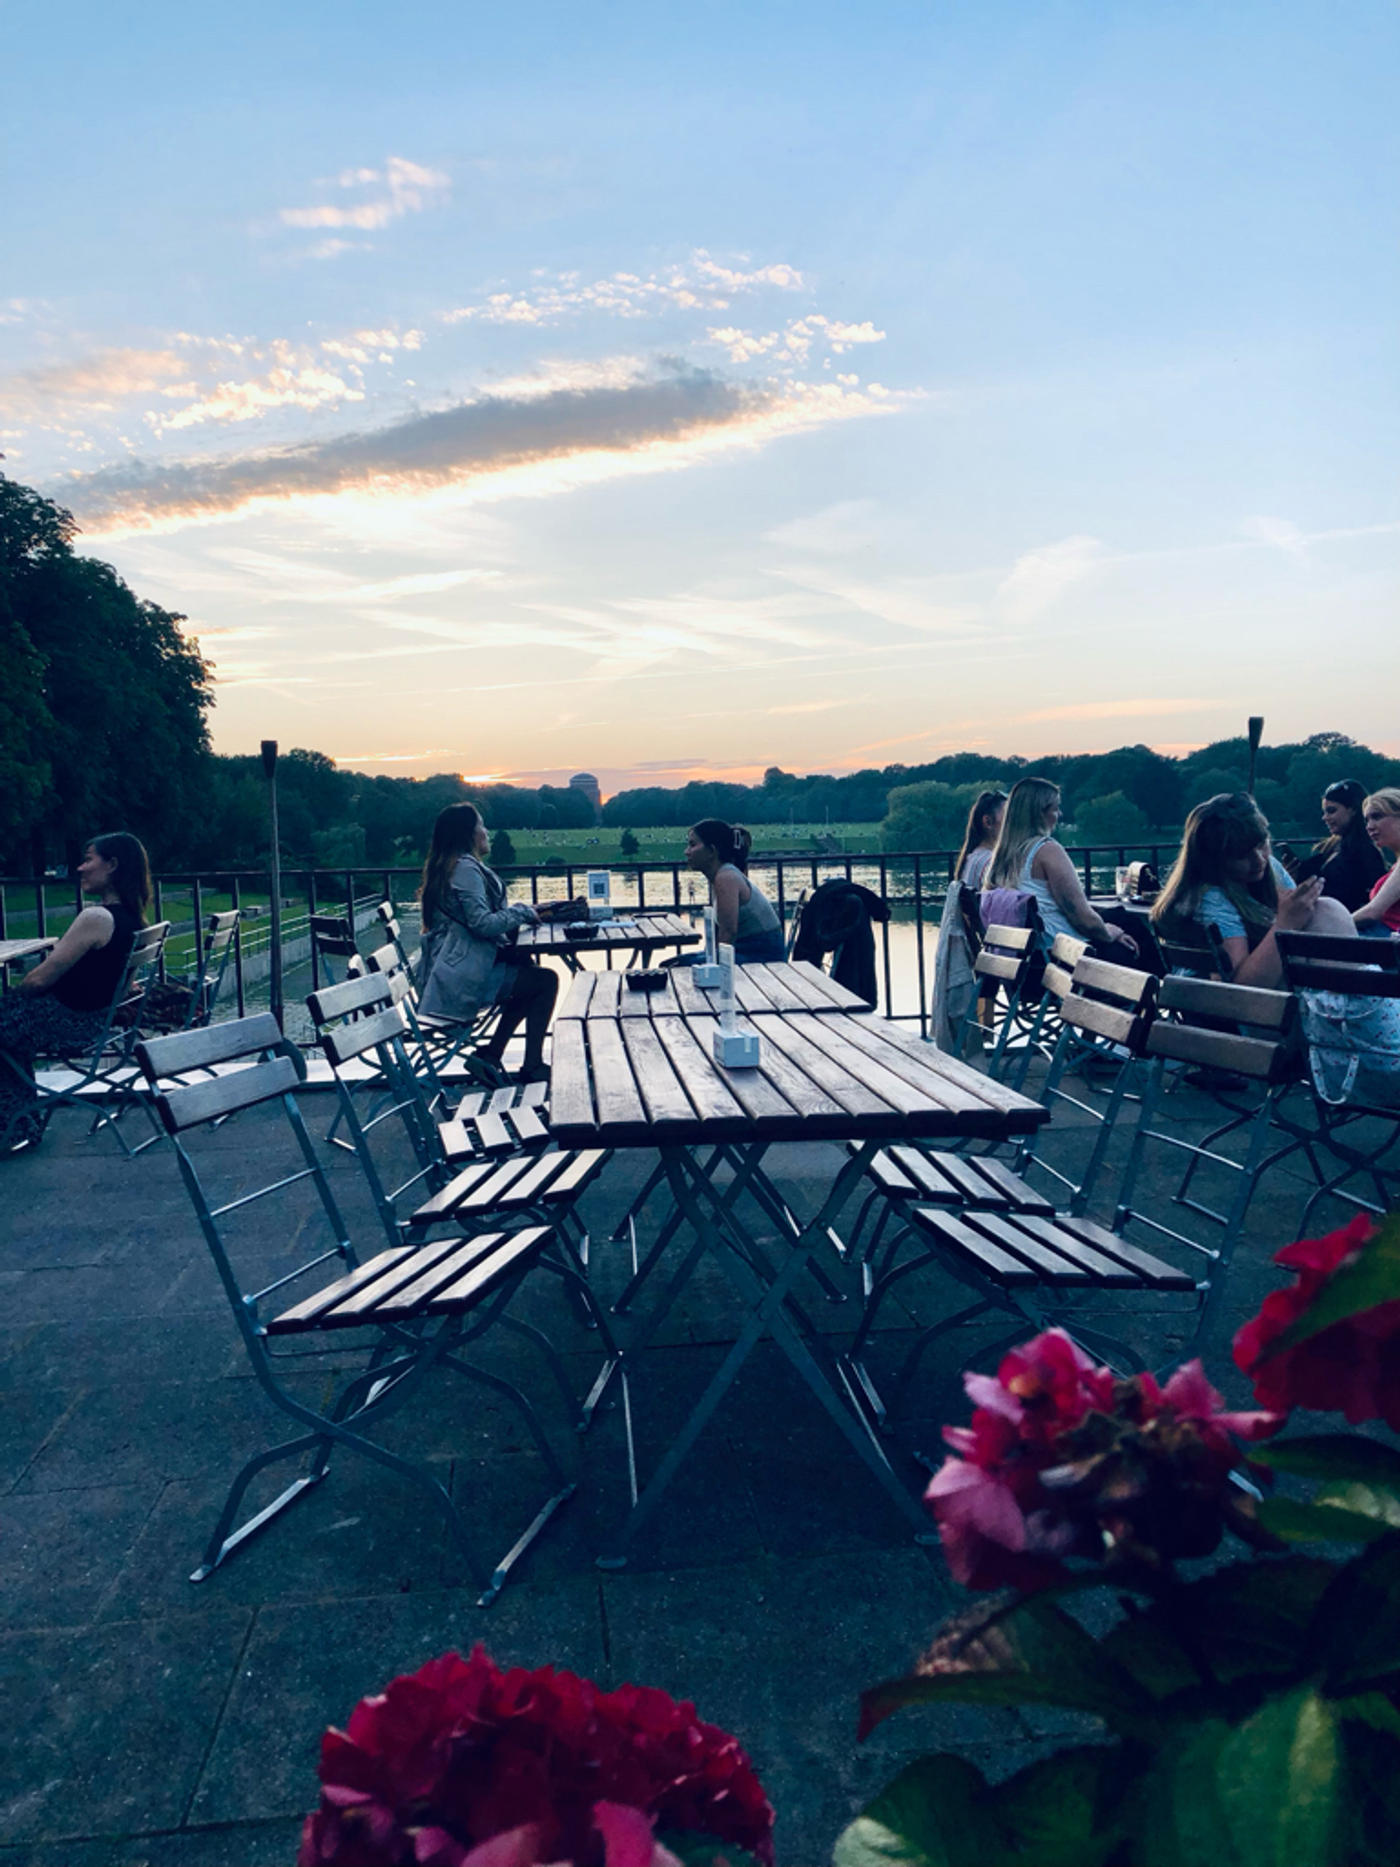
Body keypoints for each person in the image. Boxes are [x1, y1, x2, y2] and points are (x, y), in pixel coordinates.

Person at [0, 832, 150, 1154]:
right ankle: (17, 1125)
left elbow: (39, 981)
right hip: (92, 1024)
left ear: (111, 865)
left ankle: (17, 1123)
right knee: (7, 1036)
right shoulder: (136, 920)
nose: (80, 868)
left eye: (88, 859)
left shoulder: (96, 917)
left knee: (7, 1026)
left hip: (62, 1023)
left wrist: (16, 992)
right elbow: (124, 990)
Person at [1151, 793, 1353, 987]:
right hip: (1237, 1015)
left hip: (1266, 1005)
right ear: (1215, 860)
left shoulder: (1269, 866)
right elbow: (1241, 992)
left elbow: (1306, 918)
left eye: (1262, 845)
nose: (1259, 860)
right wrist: (1285, 924)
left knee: (1325, 909)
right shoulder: (1211, 898)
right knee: (1327, 911)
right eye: (1242, 855)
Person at [417, 803, 557, 1081]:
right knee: (545, 981)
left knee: (528, 977)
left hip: (449, 972)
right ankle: (529, 1065)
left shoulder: (449, 866)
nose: (486, 832)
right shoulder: (465, 869)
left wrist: (521, 913)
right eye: (481, 825)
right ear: (468, 834)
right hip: (461, 978)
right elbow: (482, 924)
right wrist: (523, 912)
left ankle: (493, 1055)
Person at [983, 777, 1138, 958]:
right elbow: (1081, 917)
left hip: (1028, 959)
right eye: (1055, 809)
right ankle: (1165, 983)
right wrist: (1110, 933)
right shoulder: (1047, 850)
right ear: (1040, 814)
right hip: (1061, 956)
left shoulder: (1001, 858)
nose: (1059, 815)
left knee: (1118, 916)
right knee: (1130, 931)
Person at [684, 820, 784, 963]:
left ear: (712, 851)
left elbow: (728, 933)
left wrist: (712, 966)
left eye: (693, 845)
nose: (686, 851)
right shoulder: (722, 875)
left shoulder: (726, 877)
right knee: (676, 964)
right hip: (749, 951)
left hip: (762, 956)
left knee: (681, 966)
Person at [1292, 779, 1387, 911]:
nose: (1324, 817)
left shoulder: (1366, 852)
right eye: (1324, 812)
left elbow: (1377, 899)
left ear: (1353, 809)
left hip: (1343, 923)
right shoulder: (1332, 847)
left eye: (1331, 811)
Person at [1354, 787, 1400, 934]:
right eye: (1367, 820)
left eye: (1377, 817)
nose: (1369, 826)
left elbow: (1373, 912)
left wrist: (1334, 924)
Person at [953, 790, 1008, 892]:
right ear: (988, 822)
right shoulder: (991, 863)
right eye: (1007, 817)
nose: (1012, 823)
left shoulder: (972, 857)